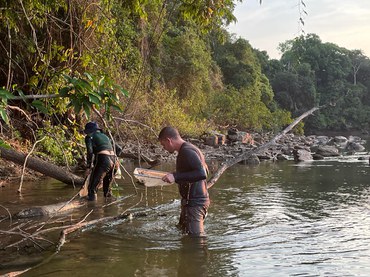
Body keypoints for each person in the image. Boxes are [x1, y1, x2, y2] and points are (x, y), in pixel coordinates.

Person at [159, 126, 210, 237]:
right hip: (192, 203)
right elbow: (203, 170)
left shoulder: (187, 151)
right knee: (183, 233)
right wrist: (174, 175)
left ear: (169, 140)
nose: (165, 148)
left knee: (196, 241)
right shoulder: (190, 148)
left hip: (195, 204)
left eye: (164, 145)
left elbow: (202, 174)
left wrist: (176, 176)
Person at [83, 121, 117, 201]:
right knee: (107, 189)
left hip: (104, 160)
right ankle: (109, 207)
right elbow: (118, 149)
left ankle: (93, 210)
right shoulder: (106, 137)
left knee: (92, 189)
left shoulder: (89, 137)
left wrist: (88, 167)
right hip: (115, 161)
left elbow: (90, 152)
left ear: (89, 131)